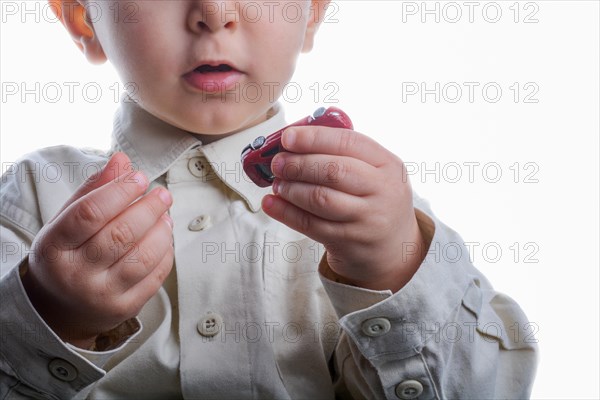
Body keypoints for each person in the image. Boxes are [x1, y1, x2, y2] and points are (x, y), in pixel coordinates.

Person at [0, 0, 538, 398]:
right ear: (82, 17)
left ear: (312, 13)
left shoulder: (372, 219)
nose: (213, 12)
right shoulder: (34, 198)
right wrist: (45, 317)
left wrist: (392, 276)